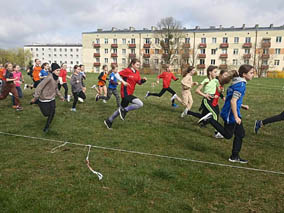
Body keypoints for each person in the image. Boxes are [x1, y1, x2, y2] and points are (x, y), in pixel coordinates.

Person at [198, 65, 254, 163]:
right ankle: (210, 119)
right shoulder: (240, 85)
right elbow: (233, 101)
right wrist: (236, 116)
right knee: (228, 135)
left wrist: (242, 105)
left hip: (231, 111)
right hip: (231, 113)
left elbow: (231, 99)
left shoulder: (236, 83)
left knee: (240, 134)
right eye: (251, 73)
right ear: (244, 74)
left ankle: (234, 156)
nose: (253, 75)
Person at [104, 58, 146, 129]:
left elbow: (139, 82)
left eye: (139, 65)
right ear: (132, 64)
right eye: (137, 65)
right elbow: (115, 74)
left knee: (120, 109)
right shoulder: (127, 70)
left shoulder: (137, 72)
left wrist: (143, 80)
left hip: (130, 92)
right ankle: (125, 110)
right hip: (125, 93)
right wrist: (123, 81)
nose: (138, 66)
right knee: (140, 104)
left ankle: (109, 120)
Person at [31, 63, 64, 133]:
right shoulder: (49, 77)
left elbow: (56, 88)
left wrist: (60, 96)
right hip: (44, 98)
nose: (59, 72)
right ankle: (38, 102)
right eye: (57, 70)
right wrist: (36, 97)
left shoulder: (57, 78)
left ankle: (46, 127)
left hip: (52, 98)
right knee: (46, 114)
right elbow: (39, 87)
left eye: (59, 70)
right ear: (53, 71)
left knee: (52, 112)